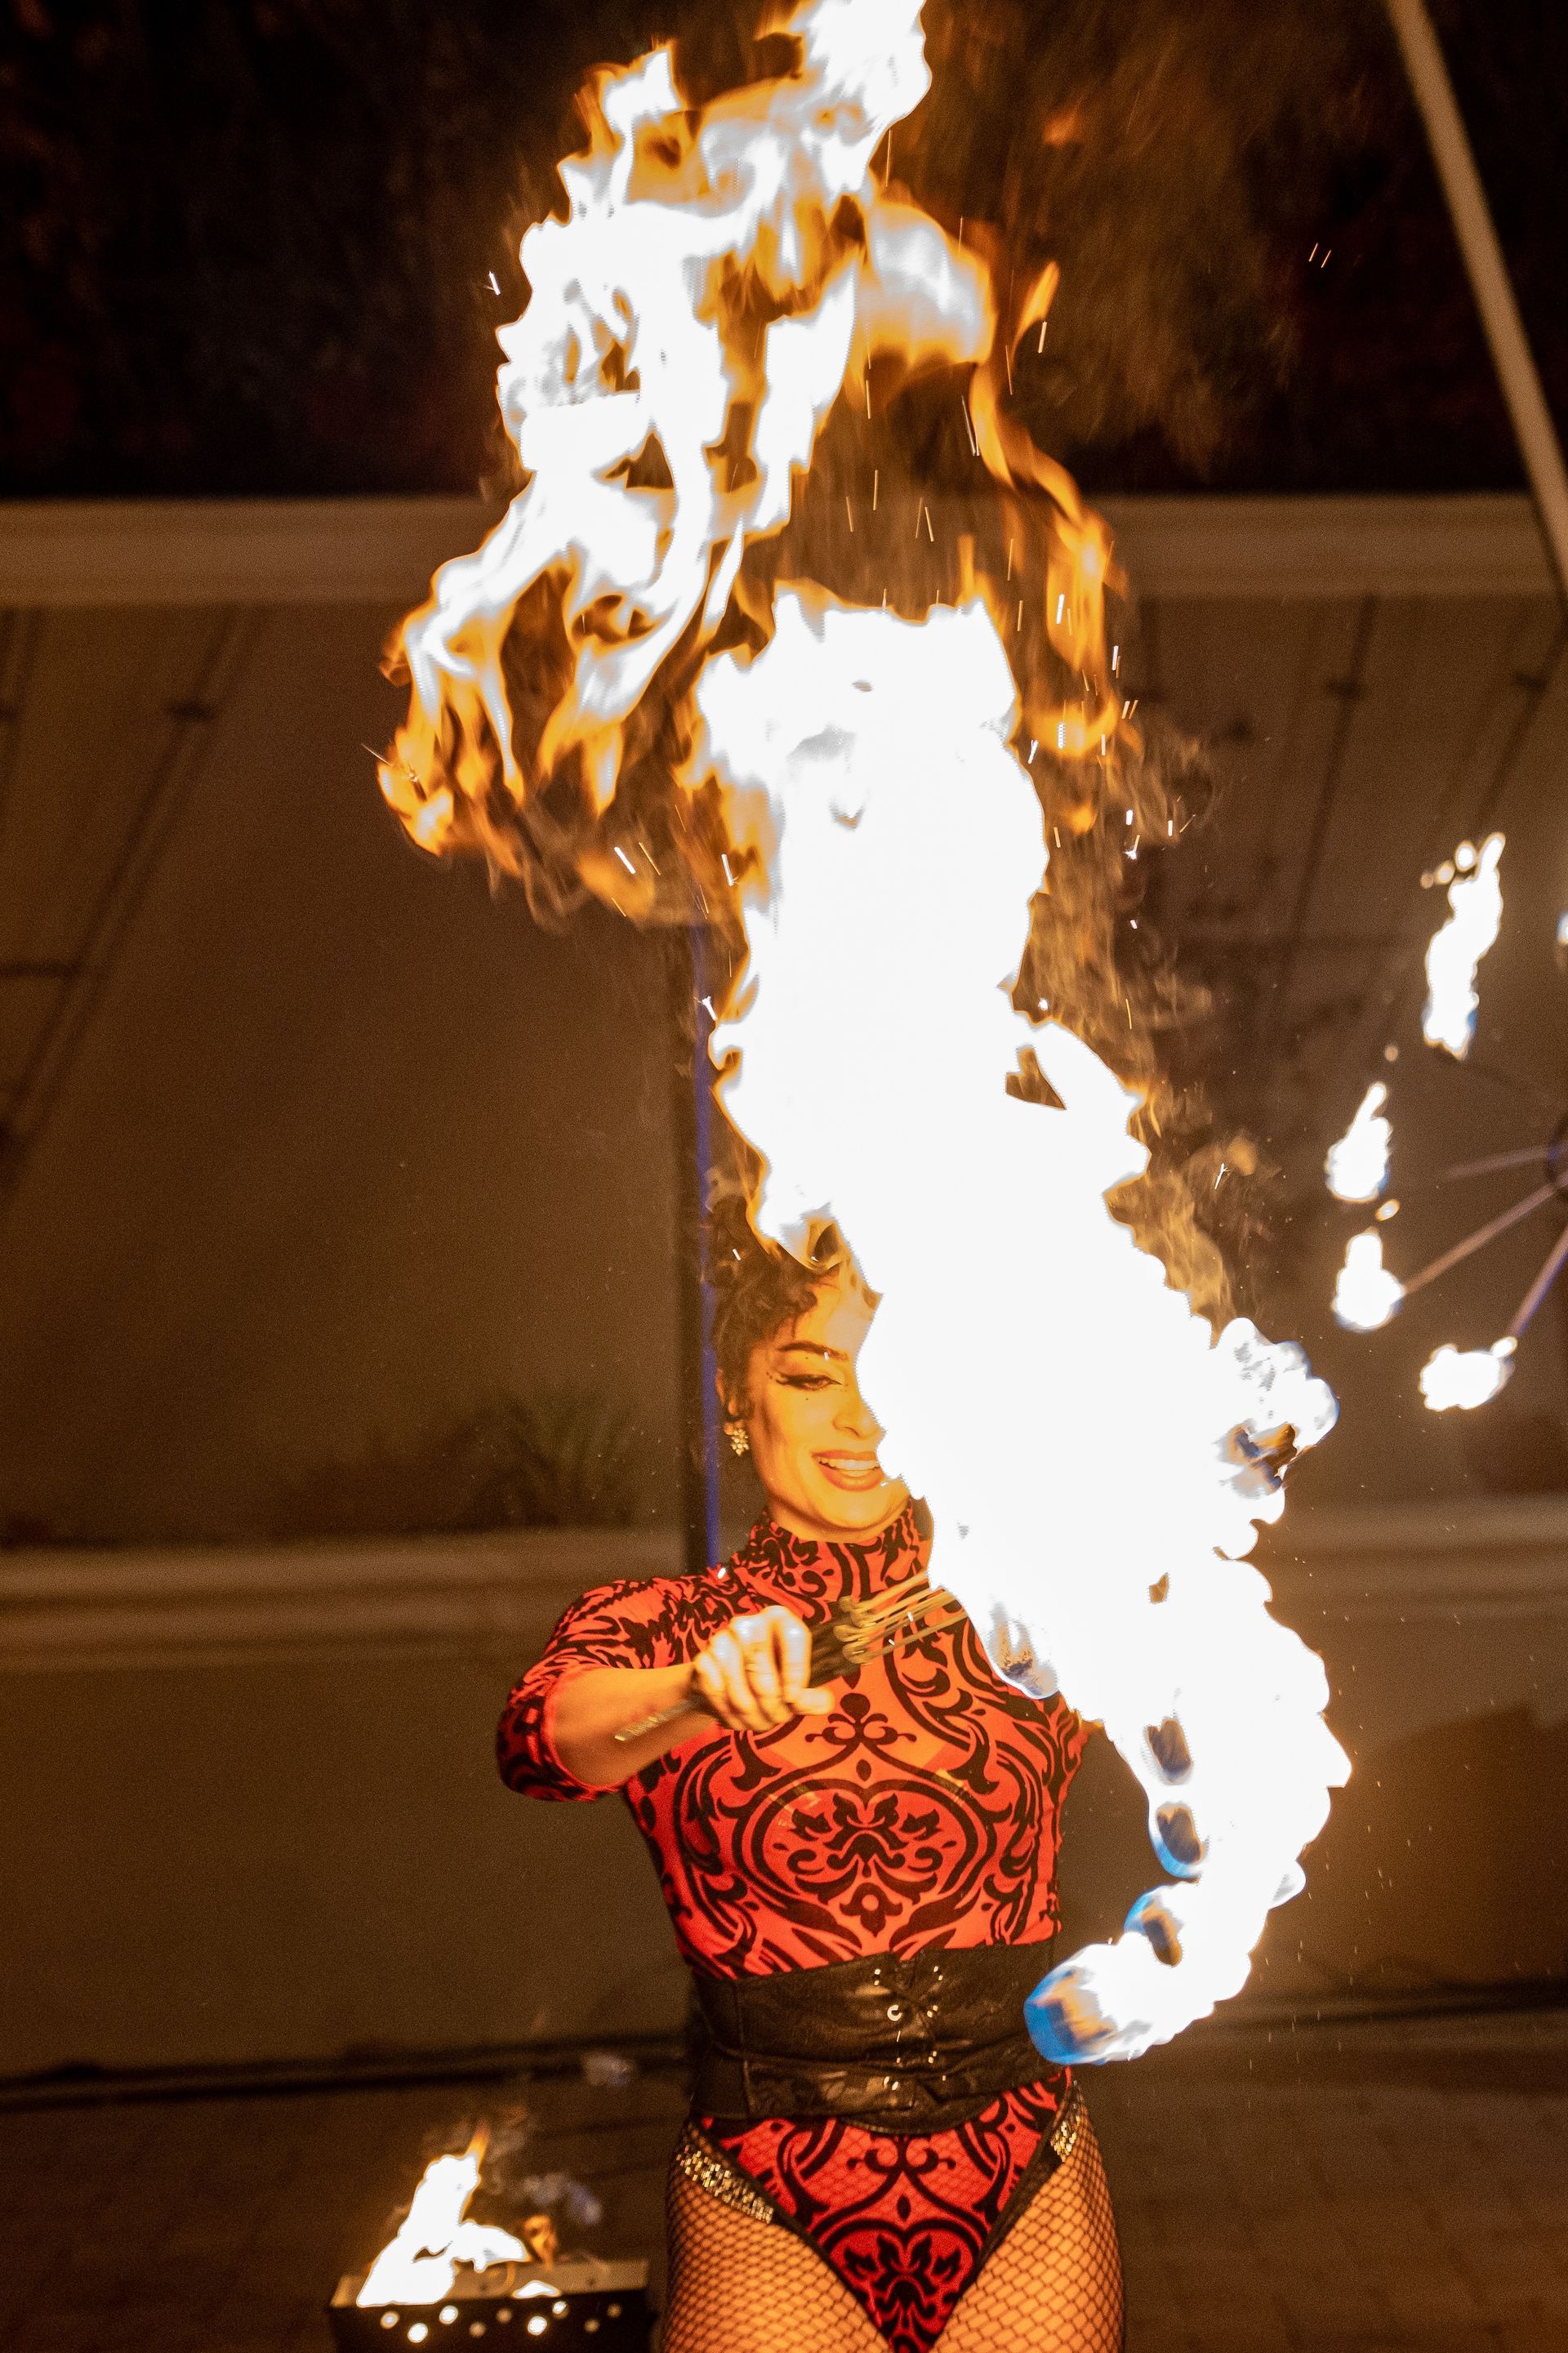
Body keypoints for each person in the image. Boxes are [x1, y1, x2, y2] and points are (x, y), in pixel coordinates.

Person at [497, 1209, 1125, 2353]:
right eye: (809, 1372)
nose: (862, 1418)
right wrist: (691, 1690)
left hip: (1028, 2186)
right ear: (738, 1400)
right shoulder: (657, 1626)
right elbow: (542, 1742)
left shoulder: (1032, 1608)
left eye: (897, 1376)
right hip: (768, 2206)